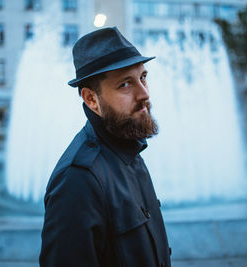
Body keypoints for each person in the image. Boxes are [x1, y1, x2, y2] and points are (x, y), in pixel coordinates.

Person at [39, 27, 171, 267]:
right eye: (125, 84)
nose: (144, 94)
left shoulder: (129, 147)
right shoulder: (78, 180)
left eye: (143, 77)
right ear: (91, 99)